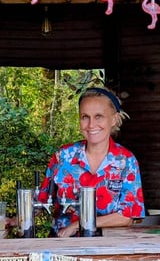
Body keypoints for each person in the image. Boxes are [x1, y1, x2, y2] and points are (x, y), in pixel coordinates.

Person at [36, 86, 145, 237]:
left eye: (99, 116)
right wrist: (16, 219)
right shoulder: (63, 156)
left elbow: (126, 216)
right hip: (62, 249)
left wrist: (77, 225)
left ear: (113, 119)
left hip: (109, 249)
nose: (91, 125)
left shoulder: (126, 162)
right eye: (85, 117)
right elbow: (41, 202)